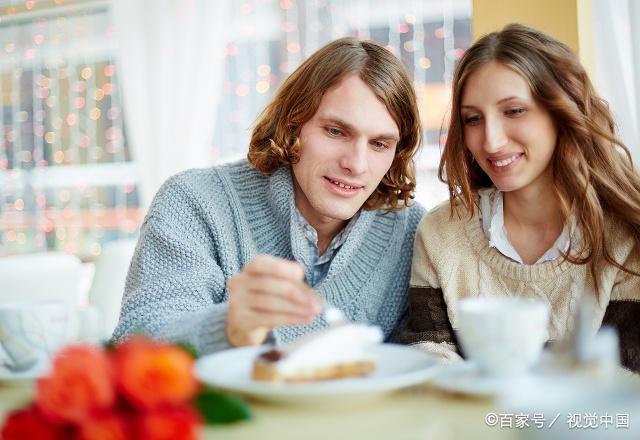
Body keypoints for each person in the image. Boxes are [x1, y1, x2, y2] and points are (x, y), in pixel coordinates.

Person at [112, 37, 426, 355]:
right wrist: (229, 328)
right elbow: (135, 346)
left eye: (379, 144)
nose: (356, 165)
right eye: (335, 131)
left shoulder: (412, 230)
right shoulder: (193, 202)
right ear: (293, 124)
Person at [400, 23, 640, 372]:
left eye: (514, 111)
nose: (492, 142)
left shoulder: (626, 235)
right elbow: (429, 359)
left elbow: (625, 378)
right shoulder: (440, 233)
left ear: (562, 111)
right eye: (473, 119)